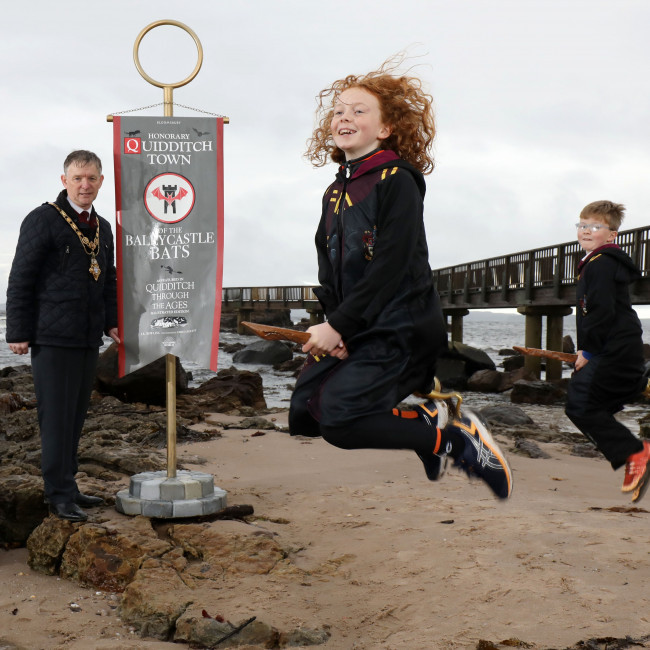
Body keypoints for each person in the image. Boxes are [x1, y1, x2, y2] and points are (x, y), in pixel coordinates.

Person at [288, 59, 512, 499]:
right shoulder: (336, 190)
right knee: (304, 414)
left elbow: (391, 265)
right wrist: (336, 327)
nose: (344, 118)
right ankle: (425, 422)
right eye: (338, 111)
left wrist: (340, 325)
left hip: (400, 327)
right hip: (359, 325)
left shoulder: (397, 181)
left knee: (339, 418)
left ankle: (451, 440)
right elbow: (328, 270)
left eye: (358, 111)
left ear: (386, 128)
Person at [6, 150, 120, 522]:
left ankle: (68, 486)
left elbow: (108, 281)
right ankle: (57, 495)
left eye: (91, 178)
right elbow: (21, 277)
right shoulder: (43, 219)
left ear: (101, 181)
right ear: (64, 181)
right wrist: (18, 332)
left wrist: (111, 323)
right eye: (77, 178)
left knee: (74, 417)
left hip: (87, 337)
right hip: (51, 336)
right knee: (55, 417)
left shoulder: (103, 226)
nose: (84, 184)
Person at [565, 200, 650, 502]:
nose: (586, 230)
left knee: (580, 405)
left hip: (610, 347)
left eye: (596, 226)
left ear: (611, 234)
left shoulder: (601, 264)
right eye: (582, 224)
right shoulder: (599, 262)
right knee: (592, 401)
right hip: (619, 345)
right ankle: (636, 384)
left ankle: (636, 453)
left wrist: (586, 351)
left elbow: (598, 311)